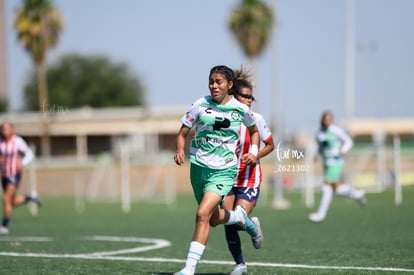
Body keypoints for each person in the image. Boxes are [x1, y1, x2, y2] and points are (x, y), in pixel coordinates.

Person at [173, 65, 262, 275]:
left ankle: (188, 269)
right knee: (211, 219)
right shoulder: (199, 104)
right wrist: (179, 149)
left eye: (218, 82)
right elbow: (182, 133)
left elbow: (254, 131)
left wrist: (254, 151)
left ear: (229, 85)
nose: (214, 85)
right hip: (198, 168)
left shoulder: (240, 109)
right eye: (211, 81)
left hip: (224, 171)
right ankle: (240, 218)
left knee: (202, 213)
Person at [222, 70, 275, 275]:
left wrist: (256, 155)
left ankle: (252, 227)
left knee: (238, 215)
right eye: (246, 96)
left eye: (251, 97)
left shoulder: (256, 119)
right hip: (227, 178)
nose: (249, 100)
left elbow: (271, 144)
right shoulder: (225, 117)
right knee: (228, 221)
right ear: (234, 95)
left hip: (249, 178)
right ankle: (240, 265)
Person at [309, 111, 366, 223]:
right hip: (326, 163)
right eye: (326, 119)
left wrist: (343, 150)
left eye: (330, 120)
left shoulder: (336, 130)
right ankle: (357, 194)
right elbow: (320, 146)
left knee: (327, 185)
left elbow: (349, 141)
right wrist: (317, 154)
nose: (328, 122)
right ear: (322, 120)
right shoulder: (319, 132)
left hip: (336, 162)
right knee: (337, 189)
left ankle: (321, 214)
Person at [0, 122, 40, 235]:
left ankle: (4, 226)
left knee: (6, 199)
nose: (5, 131)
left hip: (14, 174)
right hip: (4, 175)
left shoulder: (17, 141)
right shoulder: (1, 141)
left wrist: (22, 163)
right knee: (11, 202)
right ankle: (29, 198)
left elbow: (29, 154)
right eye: (3, 129)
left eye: (7, 128)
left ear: (12, 129)